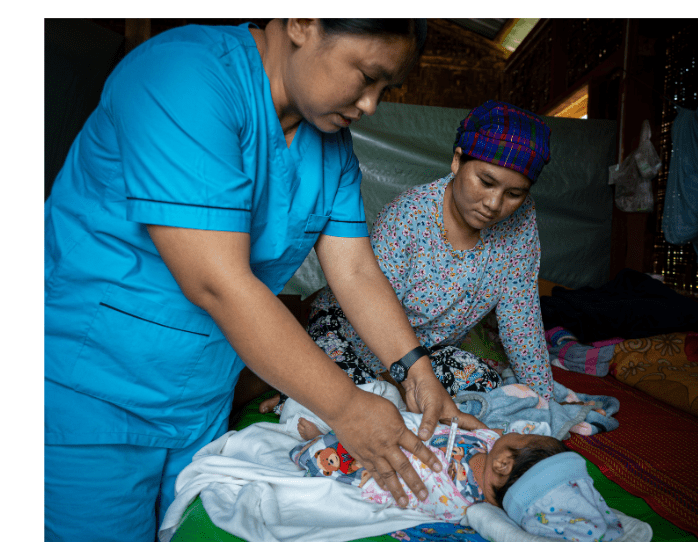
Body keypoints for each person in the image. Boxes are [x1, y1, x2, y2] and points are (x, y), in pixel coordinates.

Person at [44, 18, 483, 542]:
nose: (371, 105)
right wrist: (348, 409)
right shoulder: (183, 76)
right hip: (93, 392)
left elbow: (357, 270)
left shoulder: (331, 144)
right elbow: (217, 281)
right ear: (301, 21)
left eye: (386, 89)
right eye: (367, 76)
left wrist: (418, 371)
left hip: (201, 398)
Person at [265, 100, 556, 416]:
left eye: (514, 194)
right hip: (353, 335)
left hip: (426, 355)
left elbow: (521, 315)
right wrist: (402, 383)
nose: (494, 203)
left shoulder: (520, 222)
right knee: (359, 395)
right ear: (458, 161)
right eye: (485, 182)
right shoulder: (409, 217)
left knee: (483, 380)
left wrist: (544, 401)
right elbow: (368, 311)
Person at [284, 391, 626, 541]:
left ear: (506, 463)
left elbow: (413, 491)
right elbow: (483, 432)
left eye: (523, 439)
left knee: (332, 457)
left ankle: (313, 441)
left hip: (383, 460)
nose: (519, 431)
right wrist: (472, 425)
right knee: (372, 402)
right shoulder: (493, 449)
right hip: (406, 427)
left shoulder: (457, 500)